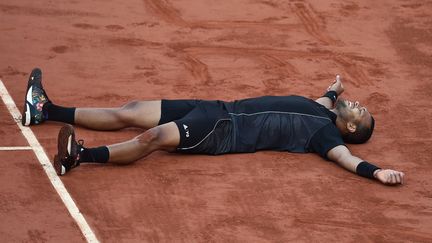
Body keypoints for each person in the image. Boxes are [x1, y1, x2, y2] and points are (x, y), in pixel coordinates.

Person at [22, 68, 405, 185]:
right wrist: (334, 91)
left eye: (360, 111)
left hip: (223, 132)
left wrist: (377, 172)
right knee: (131, 110)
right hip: (215, 108)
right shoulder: (321, 110)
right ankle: (47, 110)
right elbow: (326, 100)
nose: (357, 104)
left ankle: (81, 156)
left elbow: (346, 159)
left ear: (351, 129)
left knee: (152, 138)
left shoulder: (325, 136)